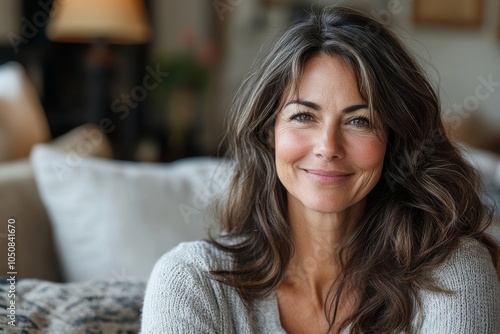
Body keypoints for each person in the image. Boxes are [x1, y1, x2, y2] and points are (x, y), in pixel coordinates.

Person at [141, 6, 500, 334]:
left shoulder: (452, 273)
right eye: (303, 116)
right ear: (269, 133)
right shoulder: (190, 281)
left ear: (394, 138)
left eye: (359, 120)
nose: (328, 147)